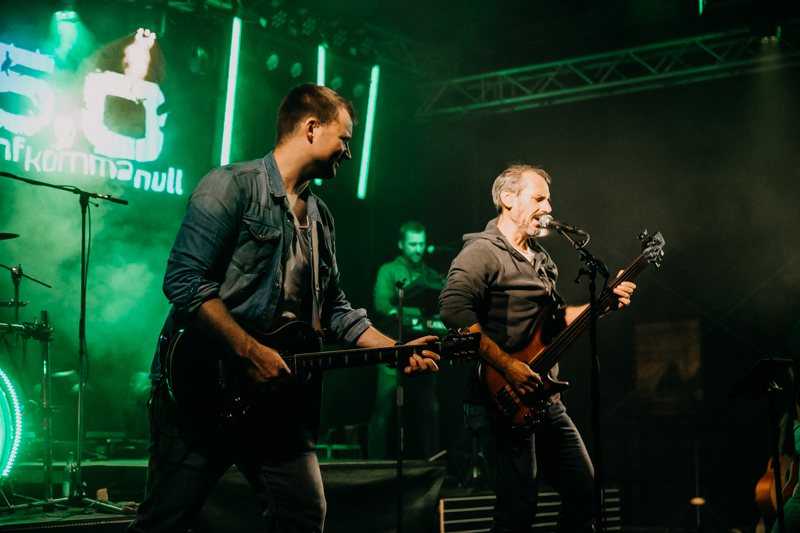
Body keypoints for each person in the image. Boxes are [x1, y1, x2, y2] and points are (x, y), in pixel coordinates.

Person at [128, 83, 440, 533]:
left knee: (303, 518)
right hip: (201, 389)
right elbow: (184, 281)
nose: (349, 152)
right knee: (163, 524)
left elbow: (335, 309)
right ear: (311, 128)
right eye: (344, 139)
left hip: (278, 404)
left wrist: (395, 349)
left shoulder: (322, 218)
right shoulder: (230, 185)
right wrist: (250, 353)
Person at [438, 164, 636, 532]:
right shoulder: (482, 252)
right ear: (508, 199)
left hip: (543, 396)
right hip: (499, 400)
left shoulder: (543, 260)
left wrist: (601, 305)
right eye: (539, 198)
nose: (548, 207)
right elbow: (453, 310)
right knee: (517, 512)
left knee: (586, 494)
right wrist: (507, 366)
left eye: (549, 200)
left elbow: (556, 321)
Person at [369, 221, 445, 459]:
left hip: (422, 350)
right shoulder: (388, 270)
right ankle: (374, 467)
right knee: (384, 407)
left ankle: (432, 464)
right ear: (401, 244)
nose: (418, 249)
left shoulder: (431, 275)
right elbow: (381, 304)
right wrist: (410, 314)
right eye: (412, 244)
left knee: (429, 409)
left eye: (421, 244)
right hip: (393, 348)